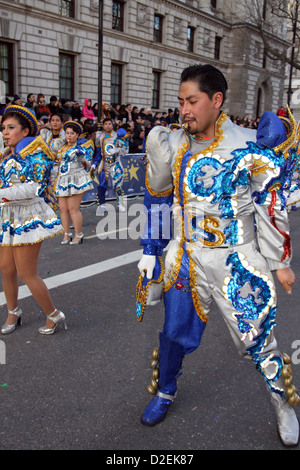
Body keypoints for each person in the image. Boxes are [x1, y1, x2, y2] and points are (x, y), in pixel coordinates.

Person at [137, 64, 300, 446]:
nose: (184, 110)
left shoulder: (249, 143)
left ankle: (283, 404)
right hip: (186, 257)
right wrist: (151, 248)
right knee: (174, 333)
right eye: (180, 102)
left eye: (192, 101)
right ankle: (164, 392)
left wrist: (280, 263)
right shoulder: (171, 142)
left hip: (236, 259)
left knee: (258, 335)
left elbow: (269, 205)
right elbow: (158, 198)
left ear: (216, 100)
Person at [0, 104, 65, 335]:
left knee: (26, 273)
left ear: (25, 131)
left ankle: (54, 315)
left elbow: (34, 188)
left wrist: (1, 194)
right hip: (8, 216)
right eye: (3, 128)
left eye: (11, 127)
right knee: (6, 268)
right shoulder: (7, 154)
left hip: (29, 215)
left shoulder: (37, 152)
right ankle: (13, 311)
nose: (5, 132)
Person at [55, 121, 94, 245]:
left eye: (72, 133)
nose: (69, 136)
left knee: (73, 209)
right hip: (63, 179)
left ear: (77, 135)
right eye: (67, 133)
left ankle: (79, 234)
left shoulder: (80, 148)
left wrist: (82, 157)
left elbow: (88, 165)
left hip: (76, 179)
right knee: (63, 209)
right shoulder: (61, 147)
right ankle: (66, 234)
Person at [92, 119, 129, 214]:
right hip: (104, 164)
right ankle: (102, 205)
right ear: (103, 126)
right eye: (106, 124)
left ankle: (121, 203)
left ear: (112, 125)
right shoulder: (100, 137)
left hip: (115, 163)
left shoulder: (118, 136)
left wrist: (117, 150)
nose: (108, 126)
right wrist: (95, 163)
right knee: (101, 185)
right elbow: (98, 152)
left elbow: (125, 150)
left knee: (118, 185)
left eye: (109, 124)